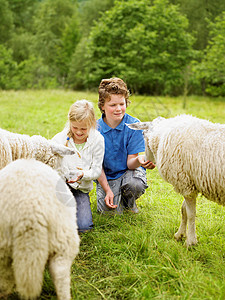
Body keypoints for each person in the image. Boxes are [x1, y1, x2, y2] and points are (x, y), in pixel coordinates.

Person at [96, 77, 155, 214]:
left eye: (121, 104)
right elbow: (97, 166)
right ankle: (114, 195)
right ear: (102, 106)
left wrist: (140, 160)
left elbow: (130, 163)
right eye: (112, 105)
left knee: (135, 185)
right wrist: (107, 190)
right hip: (106, 175)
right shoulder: (95, 129)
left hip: (128, 172)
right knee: (108, 213)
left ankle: (129, 201)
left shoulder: (134, 125)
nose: (118, 109)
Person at [52, 100, 104, 232]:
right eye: (75, 127)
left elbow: (97, 170)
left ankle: (79, 207)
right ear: (70, 122)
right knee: (55, 223)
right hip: (60, 186)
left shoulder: (98, 140)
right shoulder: (59, 139)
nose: (79, 132)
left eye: (83, 129)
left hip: (81, 188)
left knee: (84, 227)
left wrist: (83, 175)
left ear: (92, 124)